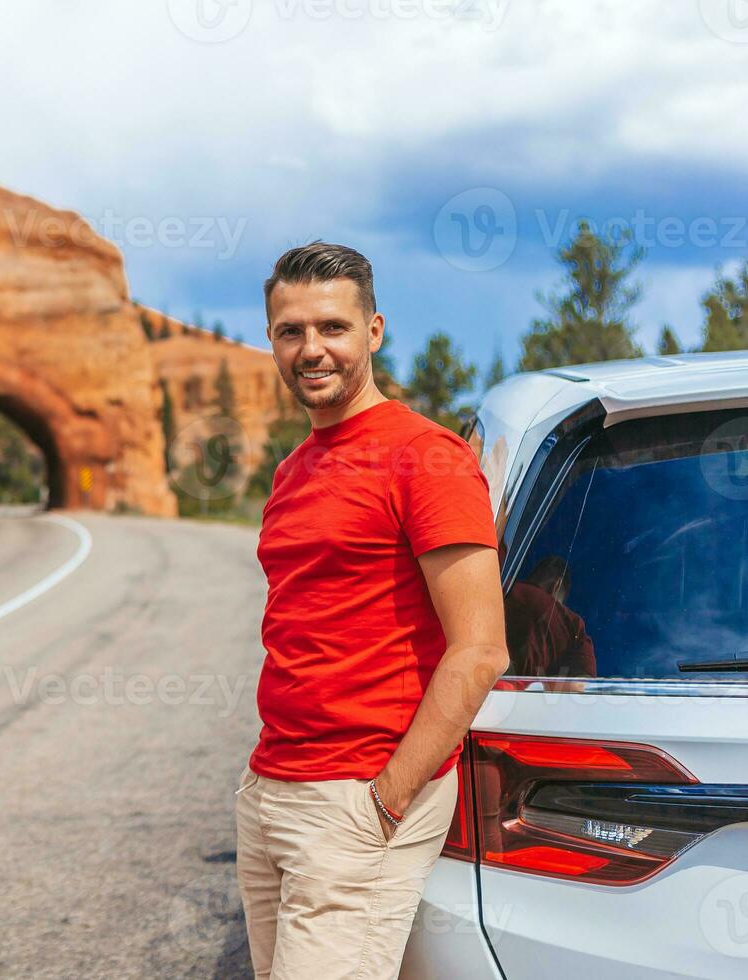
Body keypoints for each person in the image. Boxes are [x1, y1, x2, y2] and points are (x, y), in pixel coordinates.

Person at [235, 242, 510, 979]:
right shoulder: (297, 468)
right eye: (290, 331)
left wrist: (385, 802)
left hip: (357, 799)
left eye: (332, 327)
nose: (310, 349)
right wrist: (263, 790)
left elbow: (480, 650)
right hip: (273, 790)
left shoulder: (427, 458)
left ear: (374, 332)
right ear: (272, 339)